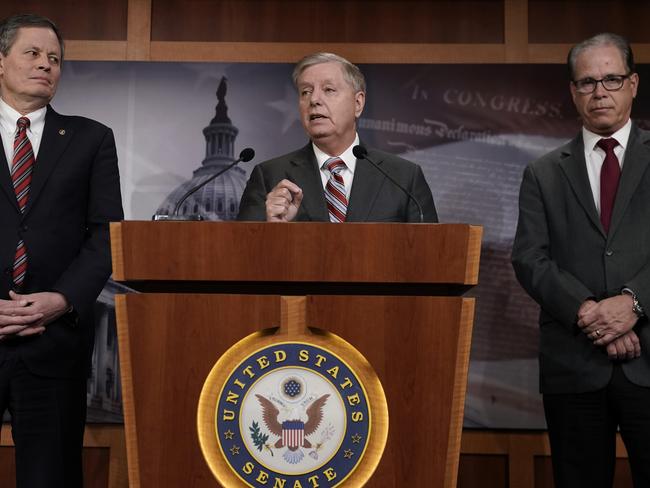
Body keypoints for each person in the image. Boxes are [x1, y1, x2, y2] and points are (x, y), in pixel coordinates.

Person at [512, 33, 650, 488]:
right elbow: (530, 258)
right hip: (574, 364)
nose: (600, 92)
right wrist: (591, 312)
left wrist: (632, 305)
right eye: (587, 82)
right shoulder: (543, 172)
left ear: (632, 84)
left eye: (611, 79)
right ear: (573, 92)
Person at [0, 14, 123, 487]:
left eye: (54, 58)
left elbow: (105, 234)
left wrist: (62, 299)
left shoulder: (92, 138)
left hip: (54, 344)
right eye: (32, 54)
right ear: (2, 61)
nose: (45, 65)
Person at [237, 52, 437, 222]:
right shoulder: (269, 176)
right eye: (305, 92)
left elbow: (431, 255)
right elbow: (242, 256)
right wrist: (272, 228)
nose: (314, 100)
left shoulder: (403, 177)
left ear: (358, 103)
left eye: (328, 90)